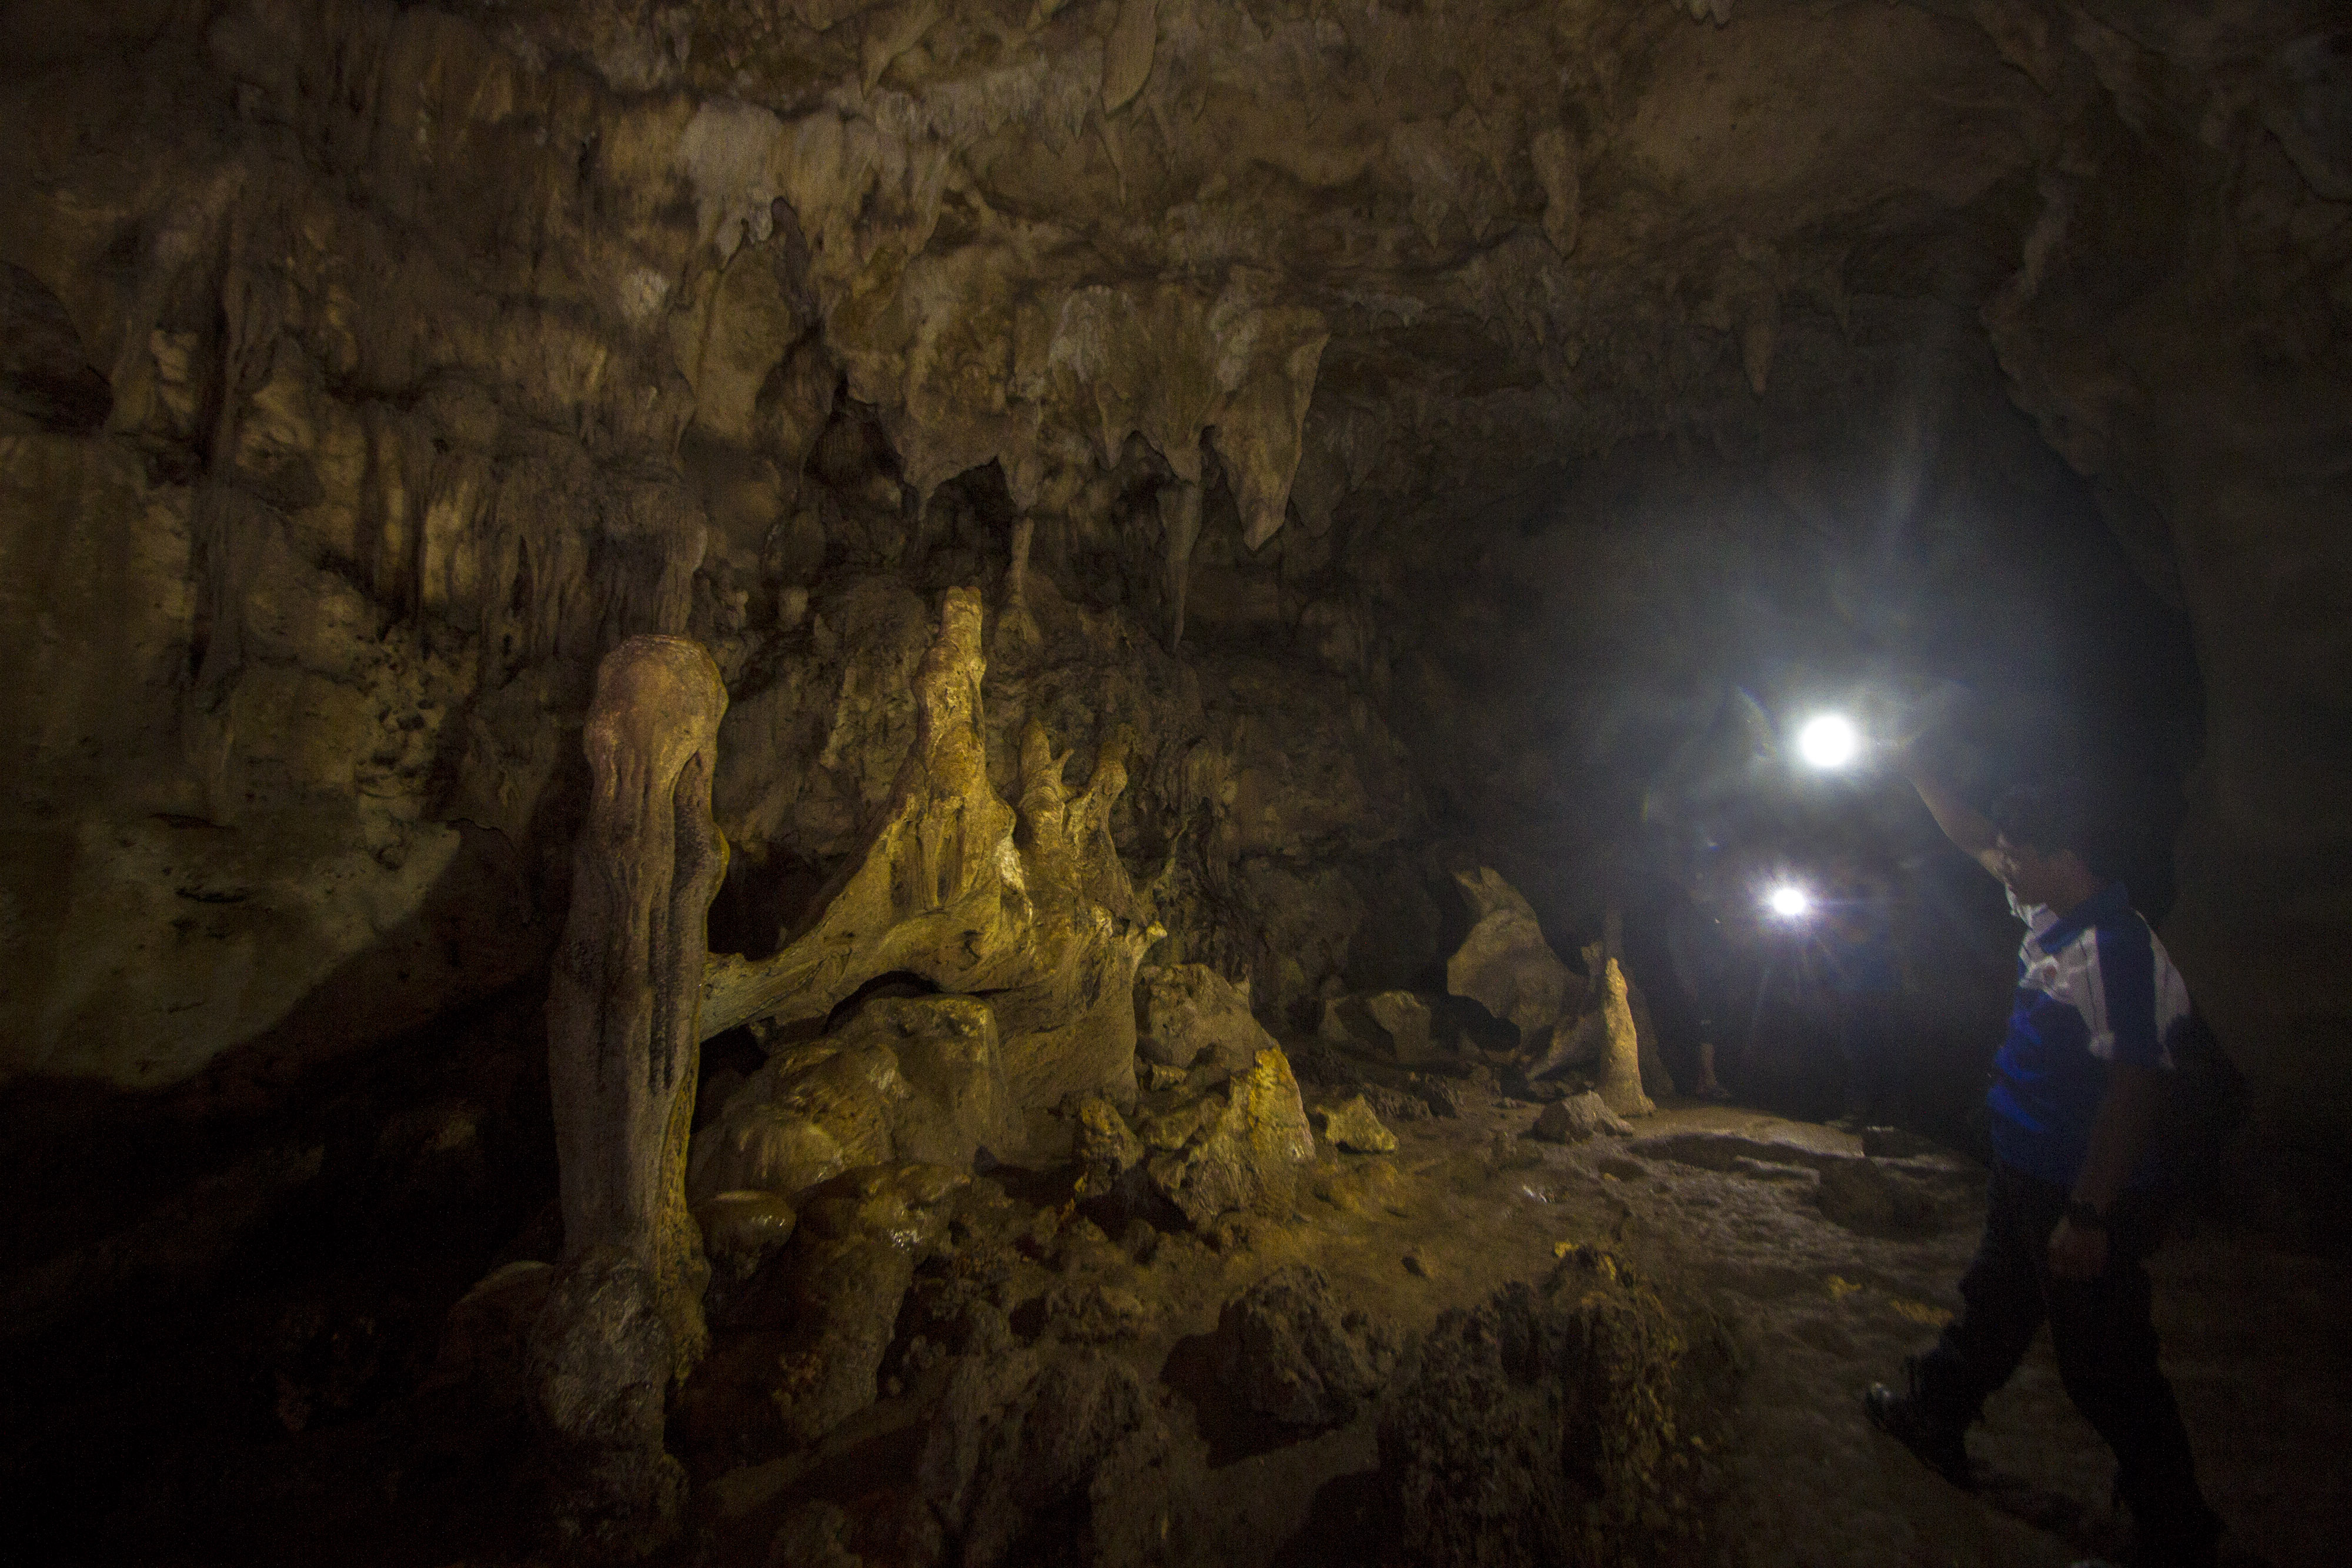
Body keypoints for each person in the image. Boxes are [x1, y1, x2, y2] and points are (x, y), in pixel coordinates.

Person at [1865, 759, 2221, 1568]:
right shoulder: (2055, 913)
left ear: (2066, 856)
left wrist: (2089, 1215)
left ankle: (2175, 1535)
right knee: (1993, 1306)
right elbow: (1975, 845)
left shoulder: (2117, 950)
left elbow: (2137, 1086)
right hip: (2028, 1172)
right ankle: (1934, 1418)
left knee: (2107, 1366)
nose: (2007, 865)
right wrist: (1915, 768)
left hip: (2085, 1190)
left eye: (2019, 853)